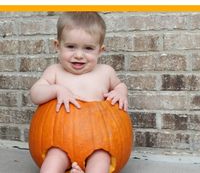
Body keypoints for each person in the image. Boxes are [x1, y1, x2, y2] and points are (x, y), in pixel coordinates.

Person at [30, 12, 128, 173]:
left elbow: (119, 85)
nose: (79, 55)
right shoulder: (54, 72)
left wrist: (121, 92)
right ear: (57, 46)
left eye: (88, 48)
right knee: (52, 161)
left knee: (102, 159)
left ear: (100, 50)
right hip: (59, 140)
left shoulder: (106, 72)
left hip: (99, 142)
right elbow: (35, 94)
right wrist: (57, 89)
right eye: (71, 47)